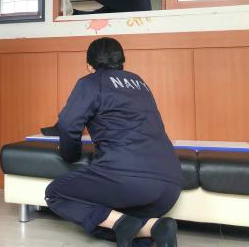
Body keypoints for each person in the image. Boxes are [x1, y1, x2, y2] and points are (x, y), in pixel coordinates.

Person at [45, 37, 182, 247]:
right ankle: (154, 228)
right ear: (122, 62)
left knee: (55, 194)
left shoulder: (90, 82)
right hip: (170, 185)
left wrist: (69, 155)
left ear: (90, 66)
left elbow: (68, 123)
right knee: (127, 224)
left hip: (127, 180)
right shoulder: (139, 81)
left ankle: (126, 224)